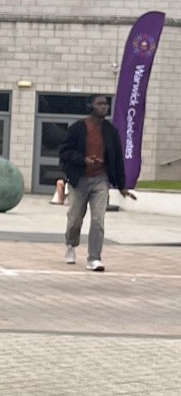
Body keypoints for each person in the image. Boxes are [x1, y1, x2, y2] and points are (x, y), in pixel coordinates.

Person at [59, 94, 136, 271]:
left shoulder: (110, 130)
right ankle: (71, 245)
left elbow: (117, 159)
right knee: (75, 219)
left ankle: (94, 258)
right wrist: (84, 160)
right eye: (100, 103)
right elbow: (65, 152)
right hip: (80, 180)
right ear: (91, 106)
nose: (104, 107)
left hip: (101, 180)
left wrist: (122, 186)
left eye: (106, 104)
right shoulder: (78, 128)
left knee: (98, 220)